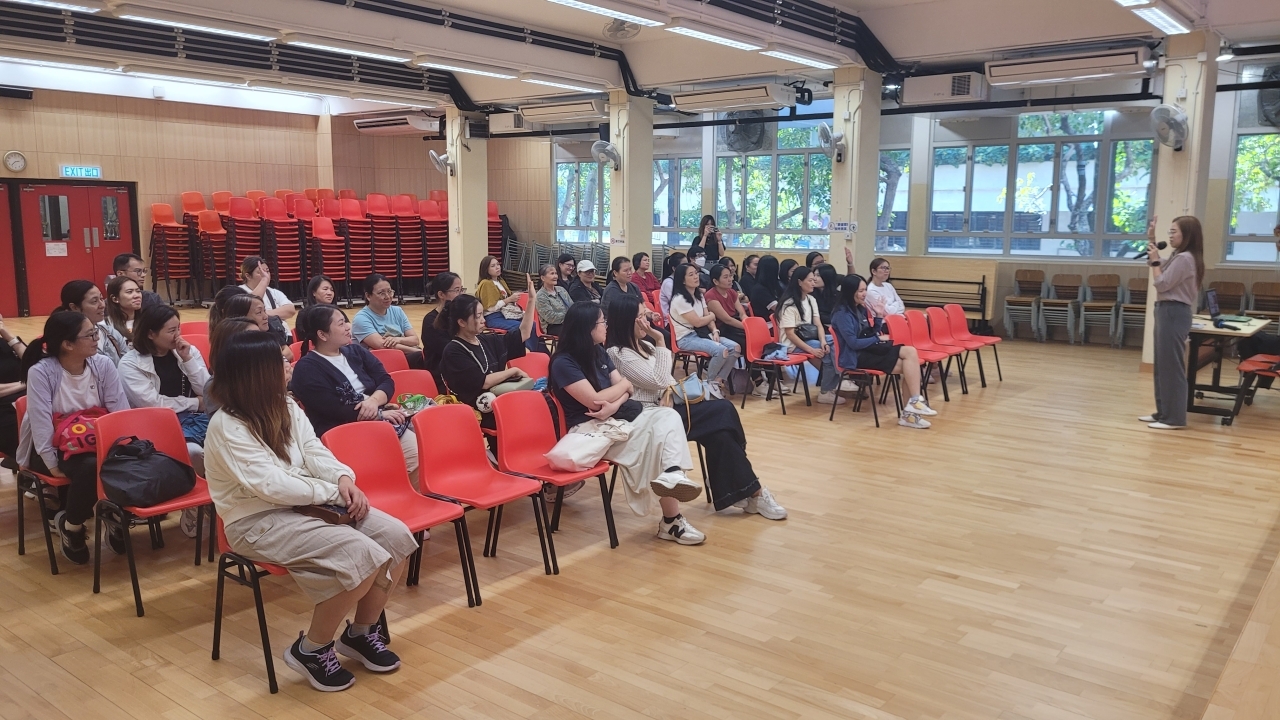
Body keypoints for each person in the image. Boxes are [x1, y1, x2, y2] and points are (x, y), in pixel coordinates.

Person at [205, 331, 416, 692]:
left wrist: (343, 477)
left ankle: (361, 633)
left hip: (307, 503)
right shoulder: (227, 425)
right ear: (257, 372)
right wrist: (332, 491)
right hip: (255, 520)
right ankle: (312, 650)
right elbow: (271, 486)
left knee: (397, 538)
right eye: (281, 360)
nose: (289, 364)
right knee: (361, 556)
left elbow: (314, 450)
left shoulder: (286, 405)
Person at [605, 296, 785, 519]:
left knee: (721, 434)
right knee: (723, 409)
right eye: (640, 317)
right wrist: (660, 340)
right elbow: (659, 380)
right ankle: (740, 484)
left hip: (669, 408)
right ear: (625, 320)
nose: (647, 322)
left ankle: (748, 490)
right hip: (651, 418)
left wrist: (668, 389)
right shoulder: (618, 353)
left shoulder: (645, 346)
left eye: (646, 315)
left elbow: (668, 381)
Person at [549, 302, 706, 545]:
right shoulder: (563, 362)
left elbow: (626, 388)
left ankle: (673, 474)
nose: (606, 326)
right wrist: (619, 390)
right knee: (657, 441)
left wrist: (614, 402)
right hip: (590, 430)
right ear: (587, 327)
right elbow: (594, 400)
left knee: (669, 416)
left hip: (616, 417)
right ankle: (671, 520)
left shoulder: (598, 351)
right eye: (602, 322)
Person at [18, 312, 130, 564]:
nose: (96, 339)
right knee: (90, 467)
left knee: (124, 459)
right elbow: (40, 424)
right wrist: (52, 464)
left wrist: (124, 445)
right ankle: (72, 527)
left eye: (95, 332)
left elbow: (119, 411)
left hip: (96, 442)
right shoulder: (41, 372)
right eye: (90, 335)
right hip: (50, 448)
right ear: (67, 344)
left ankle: (112, 514)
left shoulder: (103, 365)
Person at [291, 305, 419, 486]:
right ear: (322, 334)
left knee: (422, 449)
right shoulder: (306, 369)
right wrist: (379, 414)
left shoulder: (356, 351)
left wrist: (374, 401)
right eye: (341, 324)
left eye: (346, 322)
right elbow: (334, 408)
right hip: (344, 430)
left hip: (380, 418)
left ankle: (408, 495)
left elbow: (386, 380)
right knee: (406, 459)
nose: (348, 327)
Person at [829, 275, 937, 429]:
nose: (864, 294)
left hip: (868, 350)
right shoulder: (842, 314)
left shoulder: (860, 309)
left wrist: (879, 316)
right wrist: (877, 339)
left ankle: (914, 403)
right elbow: (853, 343)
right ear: (850, 291)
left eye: (865, 290)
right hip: (856, 357)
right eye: (860, 291)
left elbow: (869, 333)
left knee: (910, 354)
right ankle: (910, 414)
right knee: (911, 368)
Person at [118, 305, 210, 472]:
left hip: (196, 418)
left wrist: (188, 359)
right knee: (194, 452)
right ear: (151, 334)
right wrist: (196, 403)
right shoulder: (130, 364)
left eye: (178, 328)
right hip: (156, 423)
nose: (178, 335)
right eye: (171, 331)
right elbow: (153, 404)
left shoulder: (188, 351)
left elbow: (207, 391)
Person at [437, 280, 537, 431]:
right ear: (462, 322)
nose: (483, 320)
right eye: (478, 316)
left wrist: (531, 300)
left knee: (540, 403)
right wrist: (513, 371)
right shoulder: (453, 351)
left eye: (482, 314)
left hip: (498, 400)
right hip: (477, 409)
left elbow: (523, 333)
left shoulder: (486, 340)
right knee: (526, 414)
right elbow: (483, 382)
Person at [1142, 216, 1204, 430]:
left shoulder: (1185, 258)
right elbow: (1157, 264)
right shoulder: (1179, 256)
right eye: (1169, 232)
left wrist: (1155, 261)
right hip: (1166, 310)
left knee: (1172, 367)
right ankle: (1163, 412)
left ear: (1187, 235)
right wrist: (1151, 239)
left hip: (1174, 312)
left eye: (1173, 232)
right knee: (1162, 365)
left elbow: (1162, 283)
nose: (1170, 236)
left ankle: (1174, 418)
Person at [669, 263, 741, 399]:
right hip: (686, 338)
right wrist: (711, 316)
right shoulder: (680, 299)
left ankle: (716, 382)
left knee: (735, 347)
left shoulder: (699, 295)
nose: (696, 277)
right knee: (720, 350)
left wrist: (715, 331)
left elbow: (707, 318)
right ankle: (708, 385)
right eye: (691, 275)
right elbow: (698, 322)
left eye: (696, 273)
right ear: (682, 280)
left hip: (701, 334)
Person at [776, 267, 845, 406]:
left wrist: (823, 341)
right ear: (799, 282)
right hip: (792, 344)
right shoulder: (789, 304)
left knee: (836, 342)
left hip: (809, 338)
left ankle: (836, 380)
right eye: (810, 280)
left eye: (814, 280)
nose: (813, 283)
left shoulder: (811, 299)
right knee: (830, 353)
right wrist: (811, 350)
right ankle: (831, 386)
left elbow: (818, 324)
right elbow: (790, 334)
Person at [352, 274, 424, 369]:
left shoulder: (397, 311)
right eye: (381, 293)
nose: (387, 296)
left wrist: (398, 339)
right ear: (368, 296)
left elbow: (414, 340)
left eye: (389, 291)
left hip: (404, 355)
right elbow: (382, 346)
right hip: (380, 362)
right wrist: (418, 352)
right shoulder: (361, 318)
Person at [55, 280, 129, 365]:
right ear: (74, 307)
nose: (102, 305)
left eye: (101, 299)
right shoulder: (65, 339)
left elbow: (127, 363)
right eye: (94, 301)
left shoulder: (110, 332)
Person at [421, 272, 463, 392]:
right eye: (456, 290)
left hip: (461, 367)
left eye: (461, 290)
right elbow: (449, 351)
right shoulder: (430, 321)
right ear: (441, 294)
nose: (460, 294)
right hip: (443, 375)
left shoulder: (461, 316)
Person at [0, 313, 27, 466]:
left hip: (26, 402)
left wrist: (8, 336)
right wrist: (26, 383)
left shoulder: (8, 343)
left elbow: (34, 363)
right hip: (4, 412)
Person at [239, 256, 297, 322]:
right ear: (248, 276)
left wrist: (262, 314)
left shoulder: (274, 292)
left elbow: (290, 310)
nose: (266, 275)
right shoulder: (239, 292)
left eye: (267, 271)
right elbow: (249, 310)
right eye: (260, 272)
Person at [475, 255, 522, 334]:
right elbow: (490, 308)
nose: (497, 267)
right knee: (522, 327)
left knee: (531, 324)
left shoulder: (500, 281)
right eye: (493, 266)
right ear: (486, 269)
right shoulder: (486, 283)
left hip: (506, 313)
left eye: (498, 264)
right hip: (493, 317)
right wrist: (509, 299)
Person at [535, 264, 573, 338]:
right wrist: (569, 316)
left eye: (556, 273)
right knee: (573, 333)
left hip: (568, 322)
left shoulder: (561, 290)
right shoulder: (541, 295)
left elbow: (572, 306)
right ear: (543, 278)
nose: (555, 276)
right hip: (553, 326)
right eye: (552, 273)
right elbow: (550, 317)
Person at [105, 275, 143, 341]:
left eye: (138, 291)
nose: (137, 296)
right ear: (115, 299)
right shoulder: (105, 325)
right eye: (129, 292)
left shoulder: (149, 321)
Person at [748, 255, 782, 321]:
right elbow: (777, 308)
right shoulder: (759, 289)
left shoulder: (775, 285)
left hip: (778, 320)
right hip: (766, 323)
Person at [658, 251, 687, 318]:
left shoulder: (683, 280)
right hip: (671, 319)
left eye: (687, 264)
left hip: (683, 314)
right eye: (683, 265)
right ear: (674, 268)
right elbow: (678, 304)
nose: (687, 267)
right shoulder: (668, 283)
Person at [813, 263, 842, 327]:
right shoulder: (810, 295)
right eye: (814, 275)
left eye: (818, 275)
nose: (814, 278)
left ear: (827, 277)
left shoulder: (839, 296)